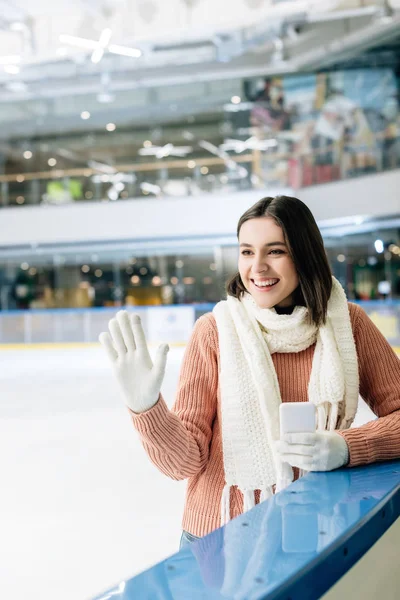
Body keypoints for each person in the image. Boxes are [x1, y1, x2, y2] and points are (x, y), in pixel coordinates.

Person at [99, 195, 400, 548]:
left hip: (315, 528)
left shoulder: (349, 325)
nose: (257, 267)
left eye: (275, 251)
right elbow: (183, 464)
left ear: (304, 254)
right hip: (218, 535)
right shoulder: (214, 332)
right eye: (246, 251)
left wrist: (346, 446)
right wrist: (146, 407)